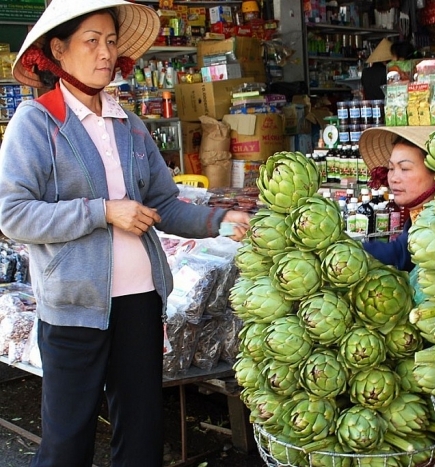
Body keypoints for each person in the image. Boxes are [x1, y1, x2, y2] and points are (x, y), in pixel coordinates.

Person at [0, 1, 249, 466]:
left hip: (139, 301)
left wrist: (220, 222)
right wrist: (102, 211)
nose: (105, 53)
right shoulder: (36, 124)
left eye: (111, 41)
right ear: (59, 49)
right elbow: (13, 214)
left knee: (141, 433)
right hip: (75, 306)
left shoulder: (129, 125)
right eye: (91, 41)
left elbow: (165, 205)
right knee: (67, 439)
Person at [360, 126, 435, 272]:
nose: (393, 178)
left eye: (404, 168)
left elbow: (400, 254)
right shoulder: (416, 216)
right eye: (391, 168)